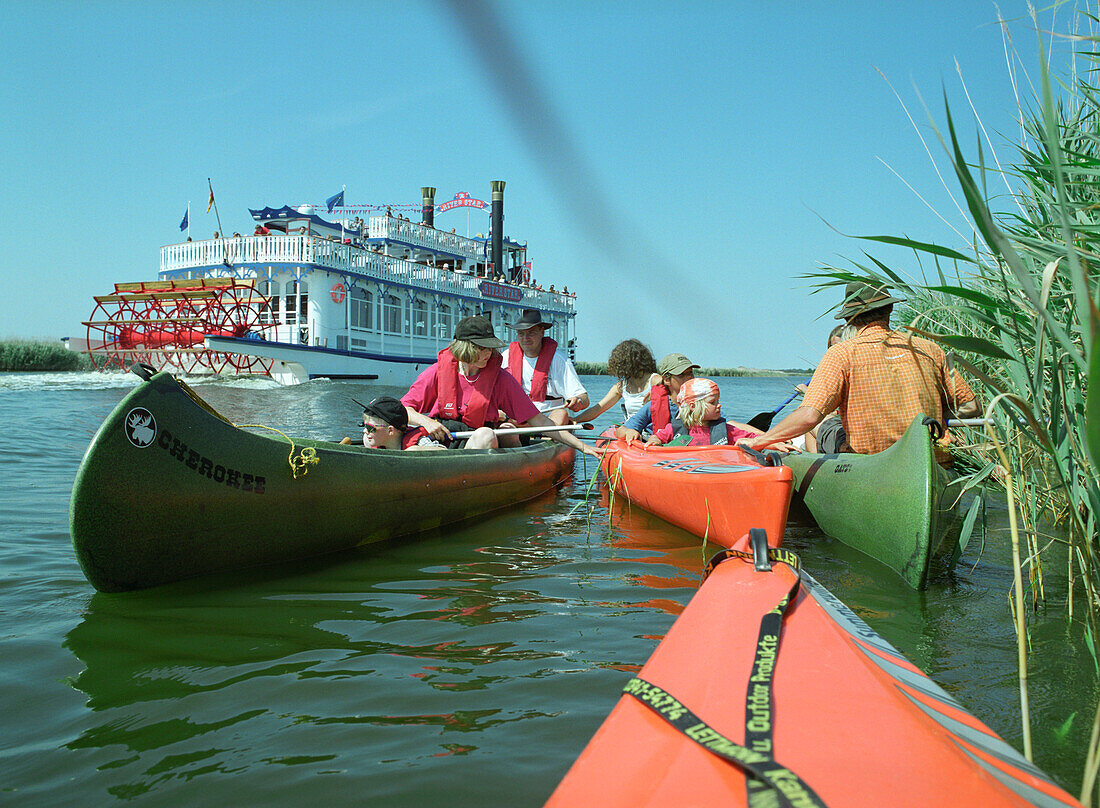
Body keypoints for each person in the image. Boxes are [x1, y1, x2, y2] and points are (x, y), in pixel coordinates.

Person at [742, 281, 980, 464]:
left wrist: (761, 441)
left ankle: (821, 482)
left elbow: (808, 417)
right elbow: (971, 408)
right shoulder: (929, 348)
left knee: (819, 425)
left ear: (850, 319)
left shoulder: (841, 353)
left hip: (871, 461)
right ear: (889, 309)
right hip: (931, 457)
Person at [402, 315, 601, 456]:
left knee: (486, 435)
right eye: (482, 348)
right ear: (466, 348)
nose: (489, 354)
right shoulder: (438, 371)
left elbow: (540, 422)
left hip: (475, 441)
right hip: (441, 436)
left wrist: (583, 446)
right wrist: (427, 422)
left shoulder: (500, 378)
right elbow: (403, 409)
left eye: (490, 348)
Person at [505, 309, 589, 426]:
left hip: (549, 418)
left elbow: (584, 398)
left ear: (542, 332)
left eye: (531, 333)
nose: (525, 338)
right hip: (517, 418)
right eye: (521, 333)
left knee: (561, 415)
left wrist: (577, 401)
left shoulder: (560, 360)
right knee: (504, 424)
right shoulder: (505, 357)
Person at [617, 352, 699, 444]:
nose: (689, 378)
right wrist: (629, 432)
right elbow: (621, 430)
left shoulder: (703, 404)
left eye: (690, 373)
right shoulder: (652, 406)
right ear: (667, 380)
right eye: (681, 375)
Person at [574, 339, 661, 423]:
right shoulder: (620, 387)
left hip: (653, 429)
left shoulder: (655, 380)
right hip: (632, 429)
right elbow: (598, 409)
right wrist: (575, 420)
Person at [673, 378, 764, 446]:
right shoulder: (674, 429)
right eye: (713, 402)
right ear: (693, 406)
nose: (719, 405)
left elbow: (754, 439)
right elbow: (659, 438)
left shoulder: (727, 430)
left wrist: (773, 442)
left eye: (718, 401)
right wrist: (657, 441)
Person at [340, 396, 445, 451]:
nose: (364, 431)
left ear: (390, 430)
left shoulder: (419, 442)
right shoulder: (370, 442)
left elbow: (444, 452)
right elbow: (367, 440)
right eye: (364, 425)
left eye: (370, 427)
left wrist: (415, 450)